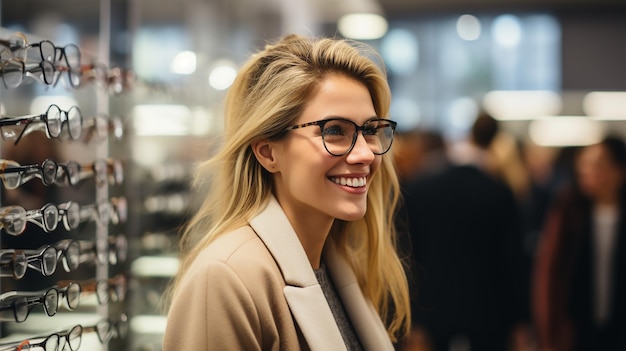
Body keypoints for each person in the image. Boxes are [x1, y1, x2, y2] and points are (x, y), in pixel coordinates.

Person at [162, 34, 410, 350]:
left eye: (371, 130)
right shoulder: (226, 278)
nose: (365, 154)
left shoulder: (338, 264)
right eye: (334, 131)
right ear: (268, 153)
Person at [399, 111, 528, 351]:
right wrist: (521, 320)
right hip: (490, 316)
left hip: (432, 313)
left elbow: (409, 254)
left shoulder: (421, 188)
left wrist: (412, 317)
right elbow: (513, 260)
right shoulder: (499, 193)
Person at [533, 135, 626, 351]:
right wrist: (548, 334)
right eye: (583, 164)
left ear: (619, 171)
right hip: (577, 327)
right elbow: (549, 272)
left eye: (597, 165)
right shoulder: (568, 209)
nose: (586, 170)